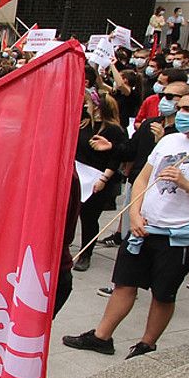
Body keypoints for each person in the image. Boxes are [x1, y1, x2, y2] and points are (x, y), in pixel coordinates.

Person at [64, 88, 189, 358]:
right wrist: (135, 214)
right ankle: (102, 336)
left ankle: (147, 344)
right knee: (124, 284)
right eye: (179, 107)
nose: (179, 113)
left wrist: (187, 185)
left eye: (187, 110)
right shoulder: (169, 142)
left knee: (163, 294)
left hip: (180, 236)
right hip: (143, 228)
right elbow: (142, 180)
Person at [74, 89, 129, 271]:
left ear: (98, 108)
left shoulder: (114, 130)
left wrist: (104, 178)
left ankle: (85, 253)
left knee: (89, 218)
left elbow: (118, 156)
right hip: (78, 177)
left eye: (88, 104)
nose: (85, 106)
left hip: (97, 180)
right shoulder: (84, 123)